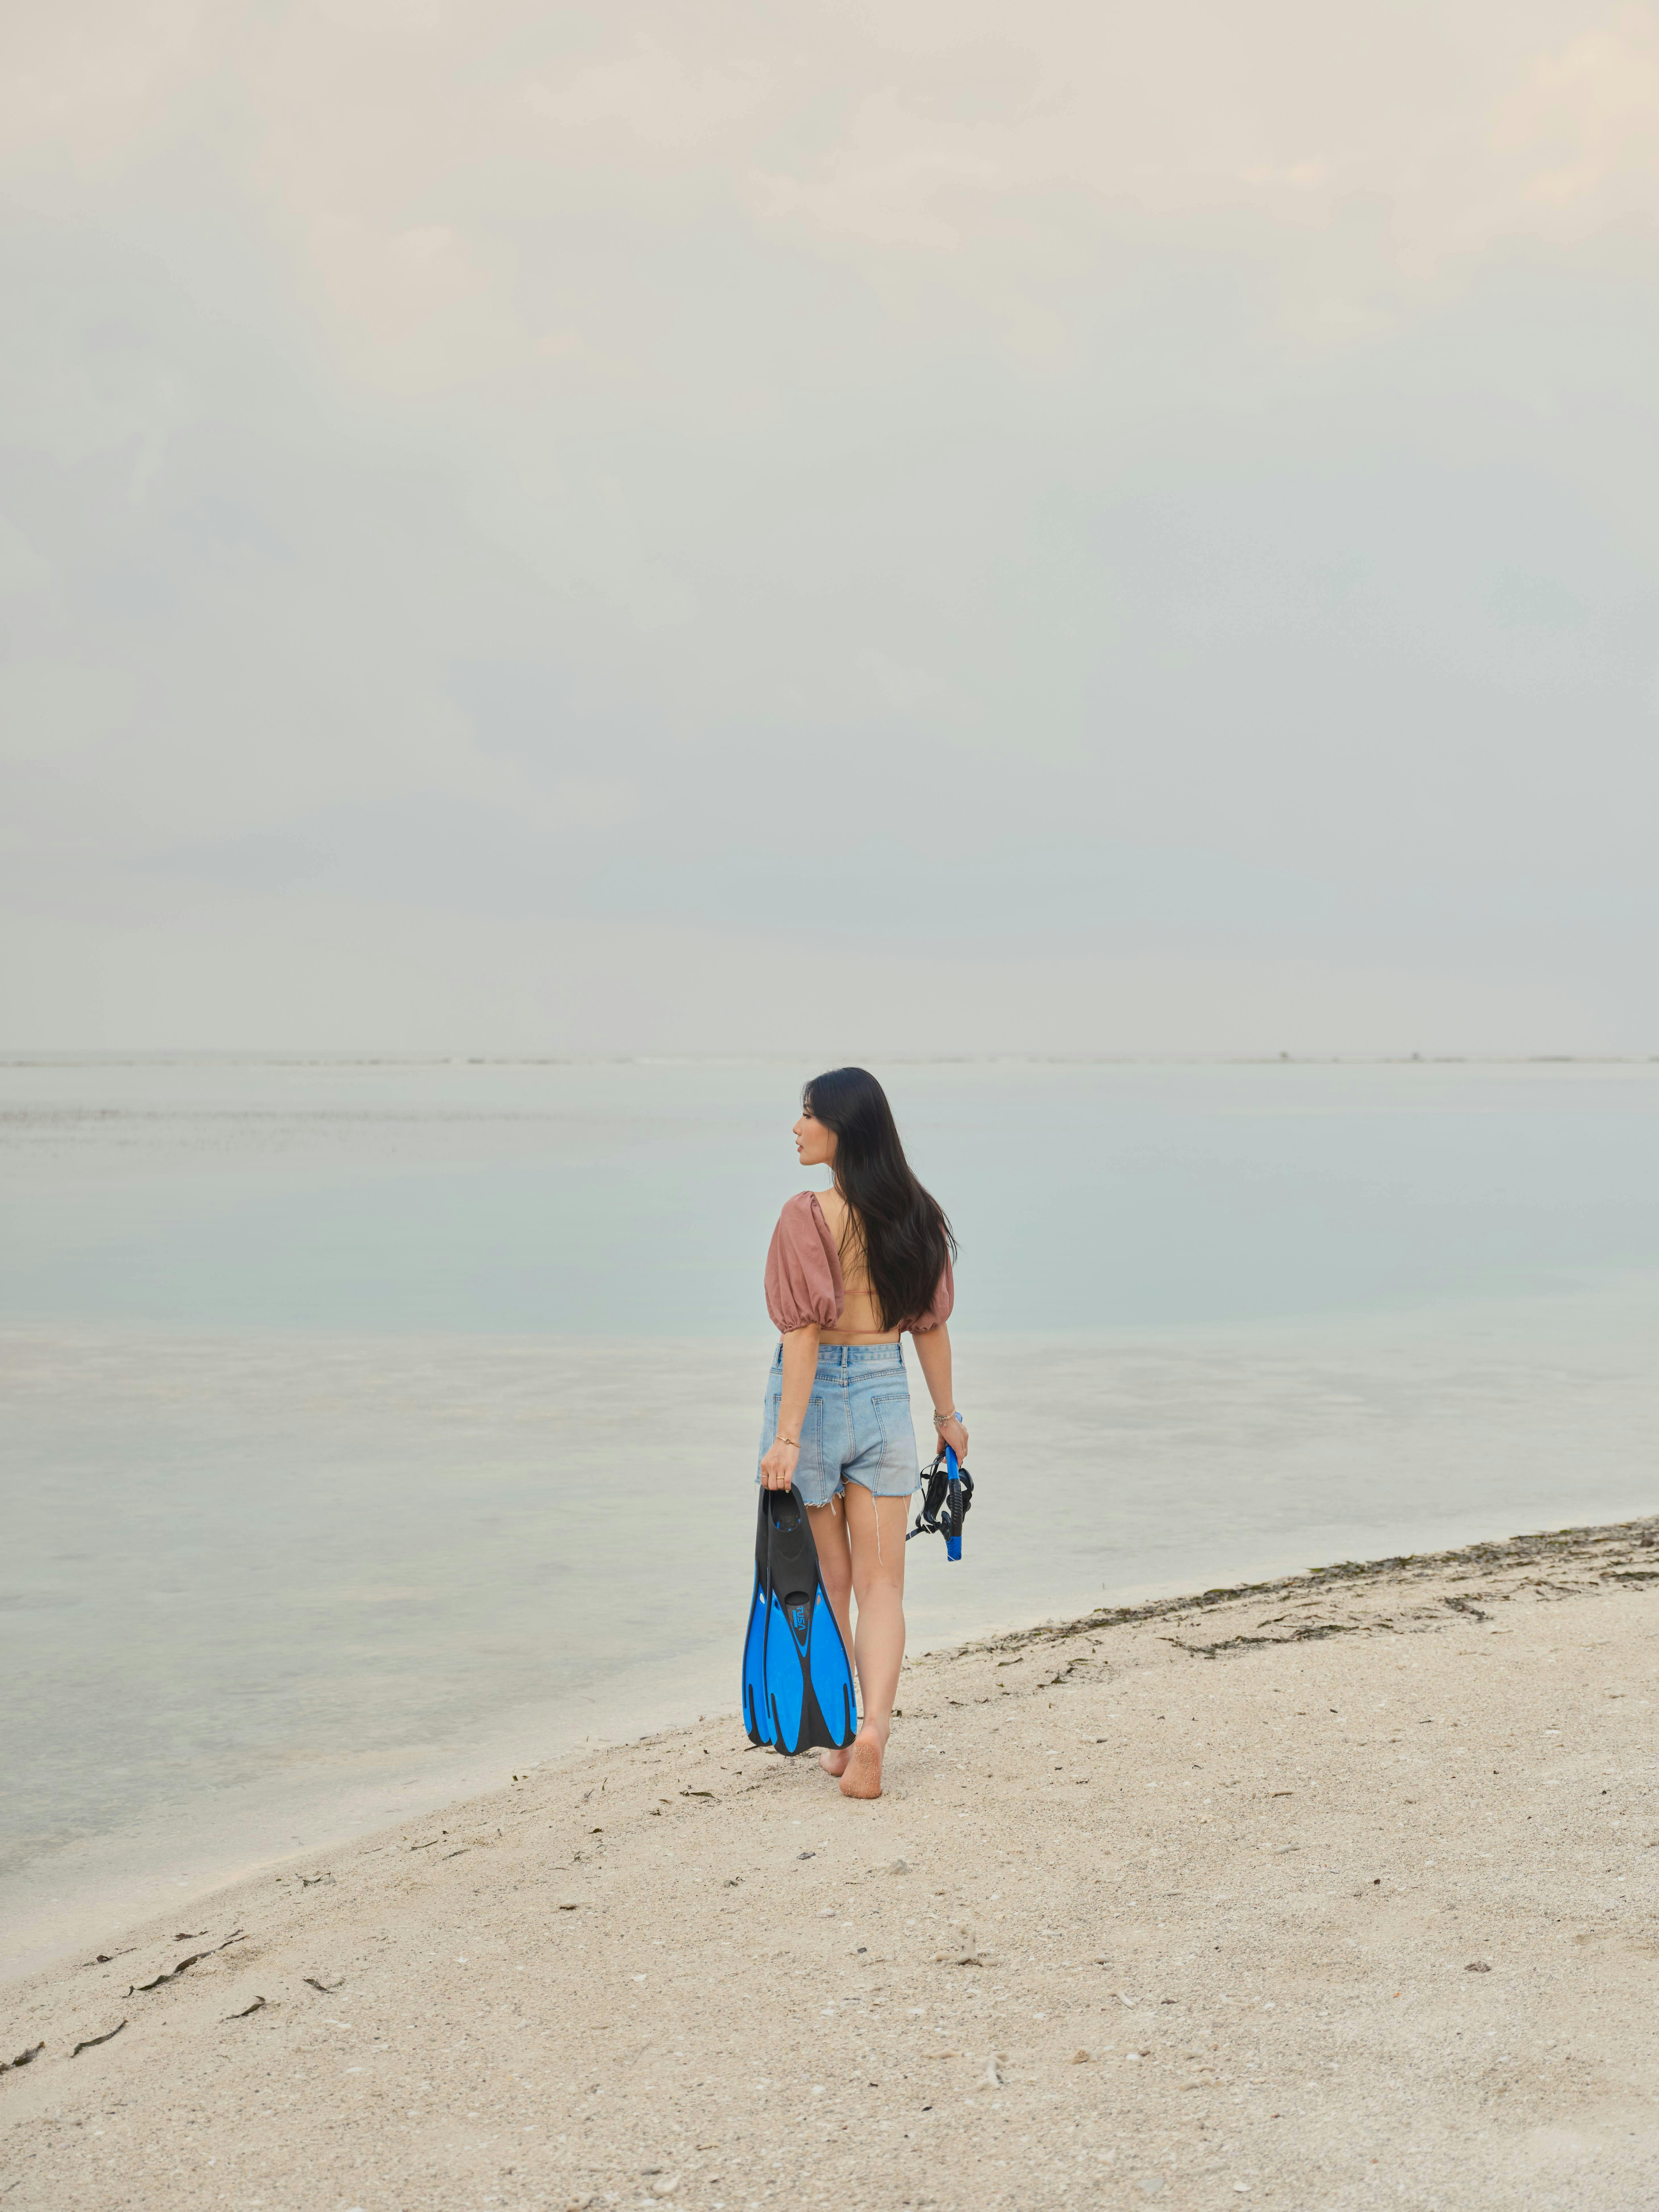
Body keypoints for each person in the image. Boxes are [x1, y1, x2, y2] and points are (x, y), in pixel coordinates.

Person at [758, 1066, 968, 1801]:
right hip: (886, 1393)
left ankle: (845, 1737)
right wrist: (949, 1419)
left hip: (814, 1405)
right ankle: (875, 1727)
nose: (797, 1126)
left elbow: (805, 1332)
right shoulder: (917, 1213)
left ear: (842, 1129)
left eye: (809, 1115)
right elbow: (930, 1328)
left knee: (834, 1584)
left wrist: (787, 1438)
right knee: (884, 1587)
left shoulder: (804, 1215)